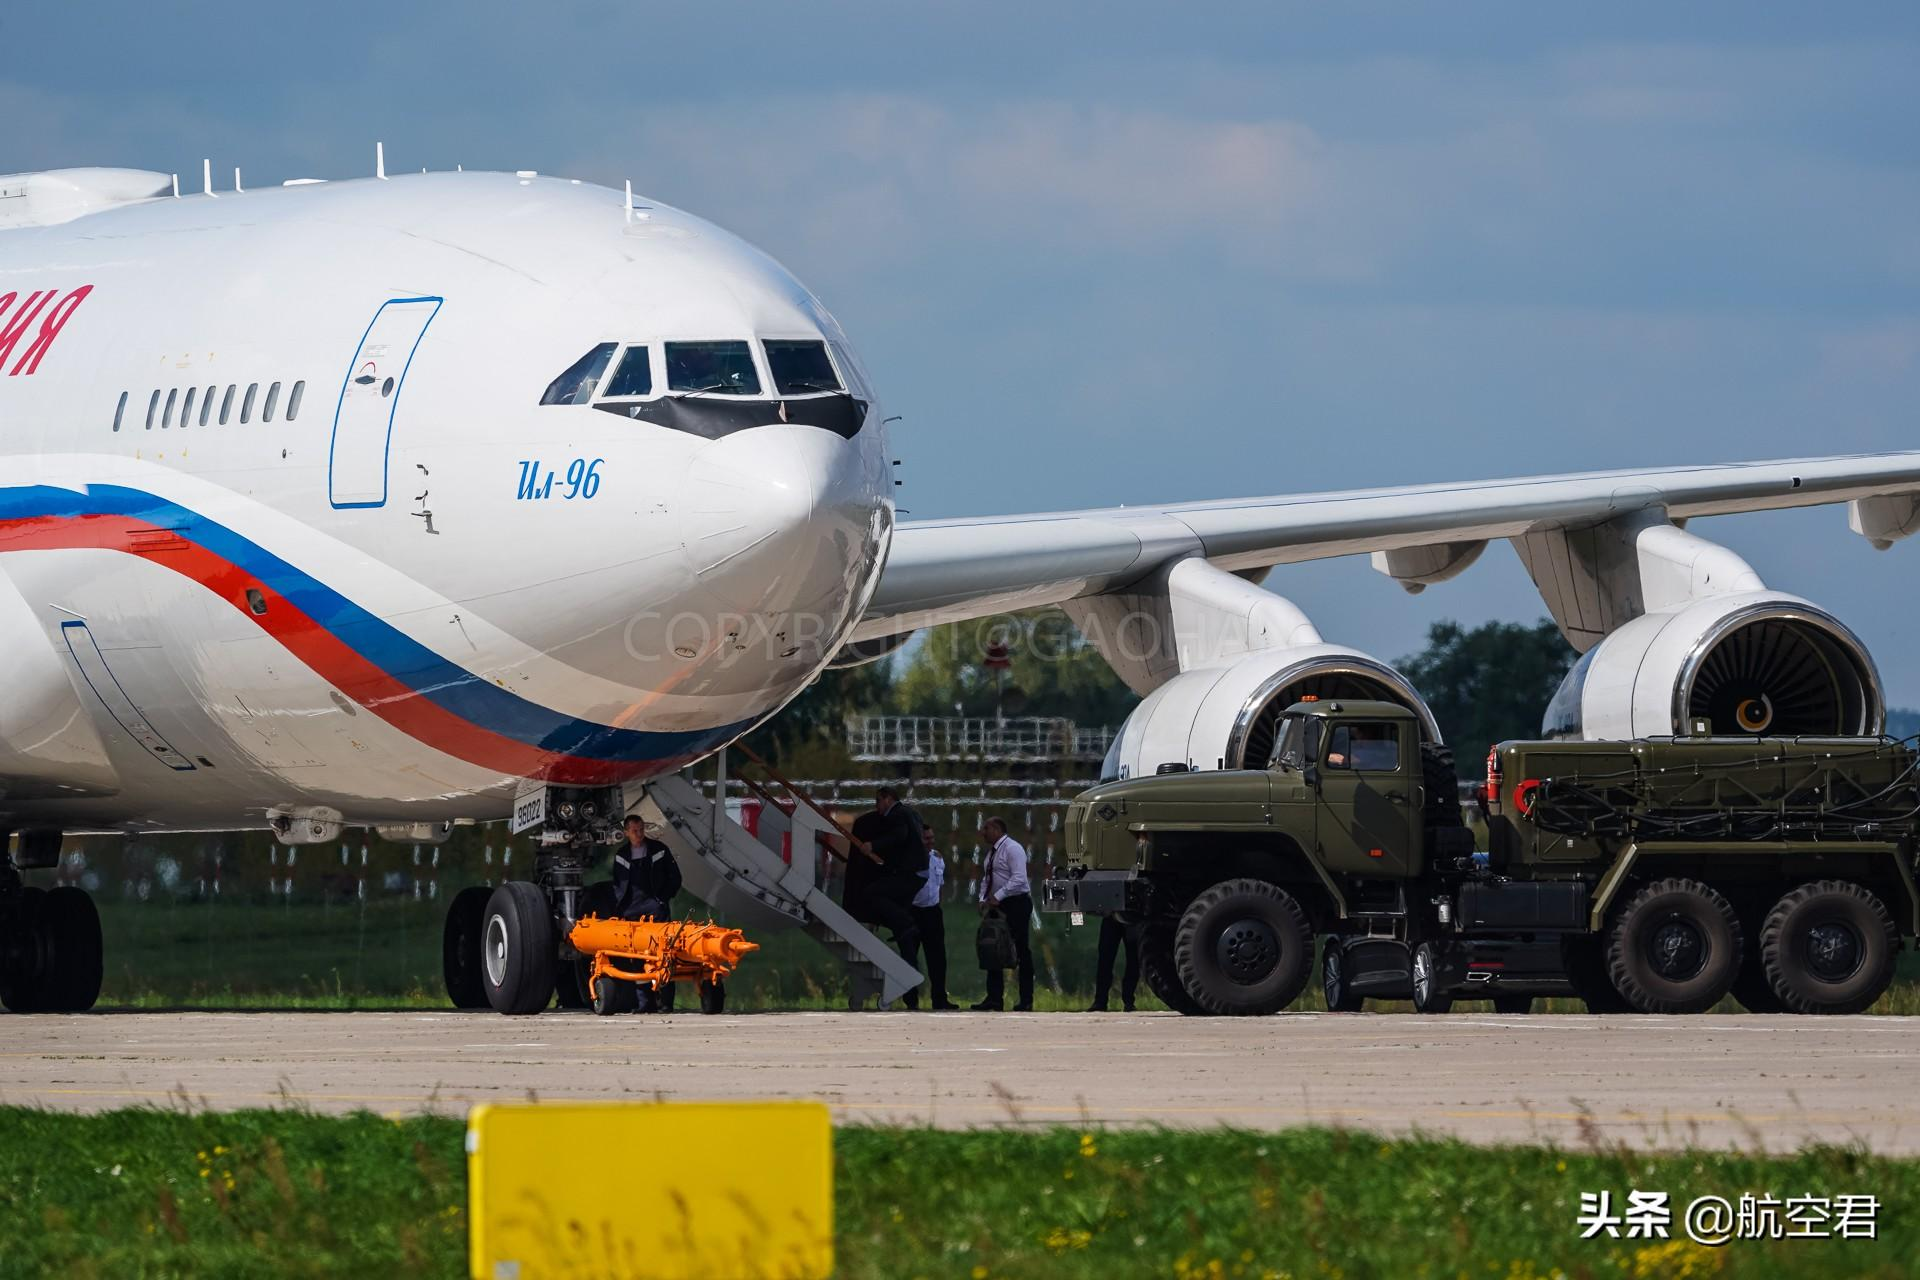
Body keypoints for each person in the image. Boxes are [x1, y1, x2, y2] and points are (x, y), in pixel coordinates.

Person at [846, 787, 924, 1000]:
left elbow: (900, 835)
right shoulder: (910, 813)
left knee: (873, 892)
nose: (877, 806)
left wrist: (873, 845)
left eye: (879, 801)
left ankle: (905, 923)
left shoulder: (898, 815)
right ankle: (911, 993)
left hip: (909, 873)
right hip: (913, 873)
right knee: (897, 922)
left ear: (889, 799)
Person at [974, 816, 1033, 1012]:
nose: (983, 832)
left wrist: (998, 895)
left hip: (1016, 904)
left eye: (986, 828)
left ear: (997, 830)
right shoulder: (991, 853)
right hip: (996, 906)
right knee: (992, 948)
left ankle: (1026, 999)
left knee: (1021, 949)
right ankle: (994, 998)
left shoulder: (1012, 848)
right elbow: (987, 878)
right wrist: (983, 898)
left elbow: (1019, 878)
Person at [911, 823, 957, 1010]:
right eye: (926, 838)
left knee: (937, 958)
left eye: (932, 838)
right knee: (910, 957)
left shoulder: (937, 858)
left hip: (933, 912)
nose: (930, 842)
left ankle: (939, 998)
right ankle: (911, 1000)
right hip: (913, 912)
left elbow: (940, 884)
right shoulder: (910, 859)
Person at [613, 813, 682, 921]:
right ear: (626, 833)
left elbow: (675, 877)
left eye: (641, 829)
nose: (639, 834)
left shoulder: (659, 849)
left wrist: (662, 899)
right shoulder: (621, 855)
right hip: (630, 910)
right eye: (634, 831)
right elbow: (617, 883)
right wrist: (620, 905)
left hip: (655, 909)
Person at [1087, 914, 1141, 1012]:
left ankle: (1127, 1000)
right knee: (1105, 960)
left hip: (1129, 915)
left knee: (1133, 960)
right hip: (1113, 915)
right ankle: (1101, 1001)